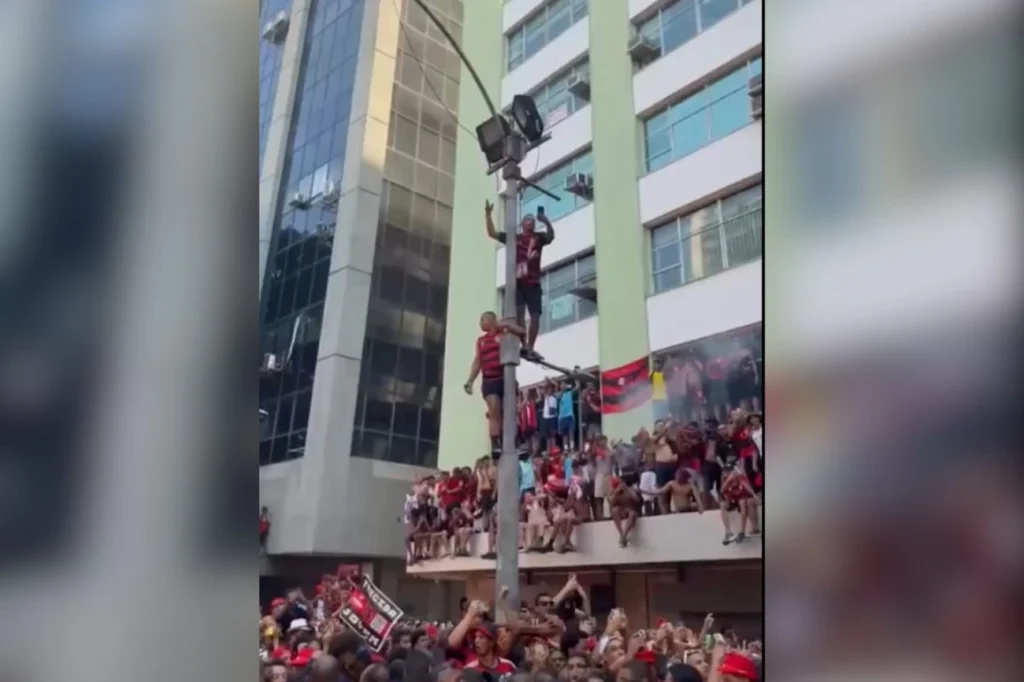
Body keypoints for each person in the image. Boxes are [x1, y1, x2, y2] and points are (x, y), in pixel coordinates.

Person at [484, 199, 555, 355]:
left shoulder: (538, 237)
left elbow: (551, 236)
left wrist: (546, 221)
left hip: (533, 282)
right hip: (518, 283)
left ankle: (530, 346)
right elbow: (492, 233)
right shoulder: (514, 238)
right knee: (520, 313)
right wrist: (488, 215)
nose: (531, 221)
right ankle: (523, 344)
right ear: (522, 224)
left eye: (532, 220)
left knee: (535, 315)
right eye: (527, 219)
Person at [464, 311, 526, 455]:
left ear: (490, 321)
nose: (480, 323)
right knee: (494, 411)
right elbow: (477, 361)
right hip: (489, 380)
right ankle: (495, 444)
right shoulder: (481, 341)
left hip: (505, 378)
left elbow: (522, 332)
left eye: (482, 320)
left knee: (510, 410)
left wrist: (504, 324)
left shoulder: (504, 334)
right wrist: (470, 381)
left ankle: (516, 440)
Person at [608, 477, 641, 547]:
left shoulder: (630, 490)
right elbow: (611, 505)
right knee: (614, 510)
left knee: (632, 514)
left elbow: (637, 500)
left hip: (631, 510)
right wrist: (616, 492)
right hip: (622, 511)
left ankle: (624, 536)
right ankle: (622, 534)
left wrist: (628, 491)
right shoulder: (614, 492)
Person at [557, 379, 577, 452]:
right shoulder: (558, 394)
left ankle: (572, 448)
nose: (563, 385)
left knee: (571, 432)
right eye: (561, 384)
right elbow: (558, 397)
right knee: (564, 435)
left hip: (569, 416)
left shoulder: (569, 393)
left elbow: (577, 388)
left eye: (564, 384)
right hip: (562, 417)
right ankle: (565, 449)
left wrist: (576, 380)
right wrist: (563, 389)